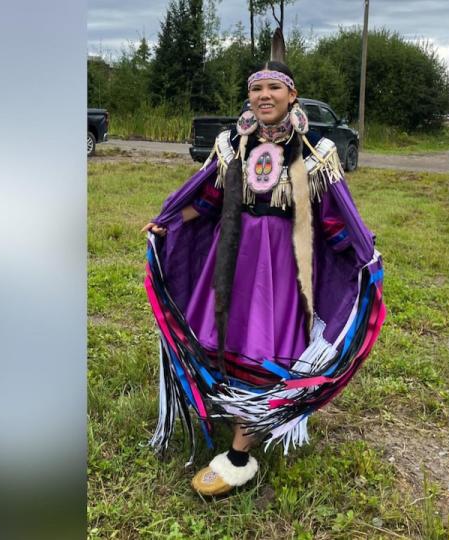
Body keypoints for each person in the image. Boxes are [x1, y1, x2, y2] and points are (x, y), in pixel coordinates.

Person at [142, 55, 385, 497]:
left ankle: (239, 455)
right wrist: (171, 223)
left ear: (292, 94)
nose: (264, 97)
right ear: (249, 98)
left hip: (282, 270)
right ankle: (231, 412)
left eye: (274, 88)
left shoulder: (316, 154)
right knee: (224, 338)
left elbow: (332, 222)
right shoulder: (234, 144)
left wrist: (361, 254)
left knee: (264, 346)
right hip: (231, 259)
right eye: (256, 90)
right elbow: (211, 201)